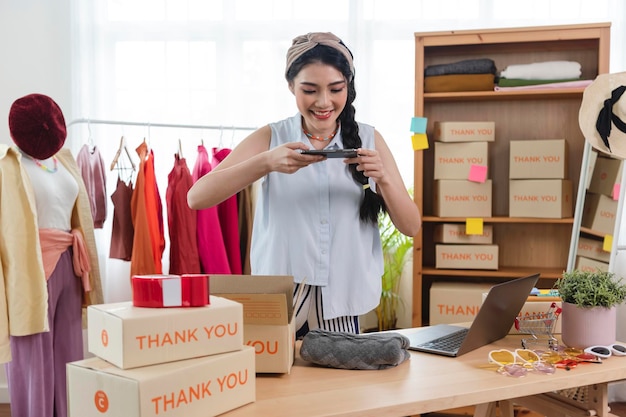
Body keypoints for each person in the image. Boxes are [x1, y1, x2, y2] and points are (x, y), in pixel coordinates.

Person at [187, 32, 421, 338]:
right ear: (290, 87)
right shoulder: (271, 137)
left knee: (337, 384)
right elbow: (197, 197)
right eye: (310, 90)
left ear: (349, 87)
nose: (324, 102)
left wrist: (384, 178)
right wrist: (266, 163)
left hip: (342, 297)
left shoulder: (369, 139)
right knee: (275, 380)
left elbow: (411, 226)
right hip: (281, 295)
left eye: (336, 89)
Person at [2, 93, 103, 417]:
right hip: (31, 267)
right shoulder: (9, 165)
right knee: (34, 360)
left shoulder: (65, 160)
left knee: (69, 356)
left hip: (69, 265)